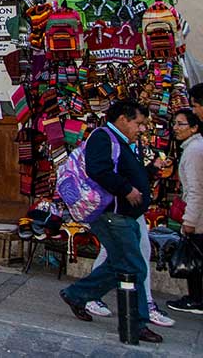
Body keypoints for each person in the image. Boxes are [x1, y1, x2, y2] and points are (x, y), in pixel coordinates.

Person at [59, 101, 163, 344]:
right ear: (123, 119)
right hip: (111, 215)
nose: (141, 129)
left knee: (119, 264)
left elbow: (122, 171)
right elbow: (99, 169)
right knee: (134, 266)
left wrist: (149, 173)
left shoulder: (121, 142)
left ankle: (76, 294)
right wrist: (126, 189)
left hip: (123, 215)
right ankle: (136, 324)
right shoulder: (103, 137)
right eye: (138, 123)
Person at [166, 109, 203, 315]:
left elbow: (196, 189)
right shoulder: (194, 148)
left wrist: (189, 220)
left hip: (198, 218)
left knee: (194, 259)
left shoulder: (195, 151)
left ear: (194, 127)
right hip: (198, 215)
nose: (176, 128)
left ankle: (196, 299)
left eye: (181, 124)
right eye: (175, 123)